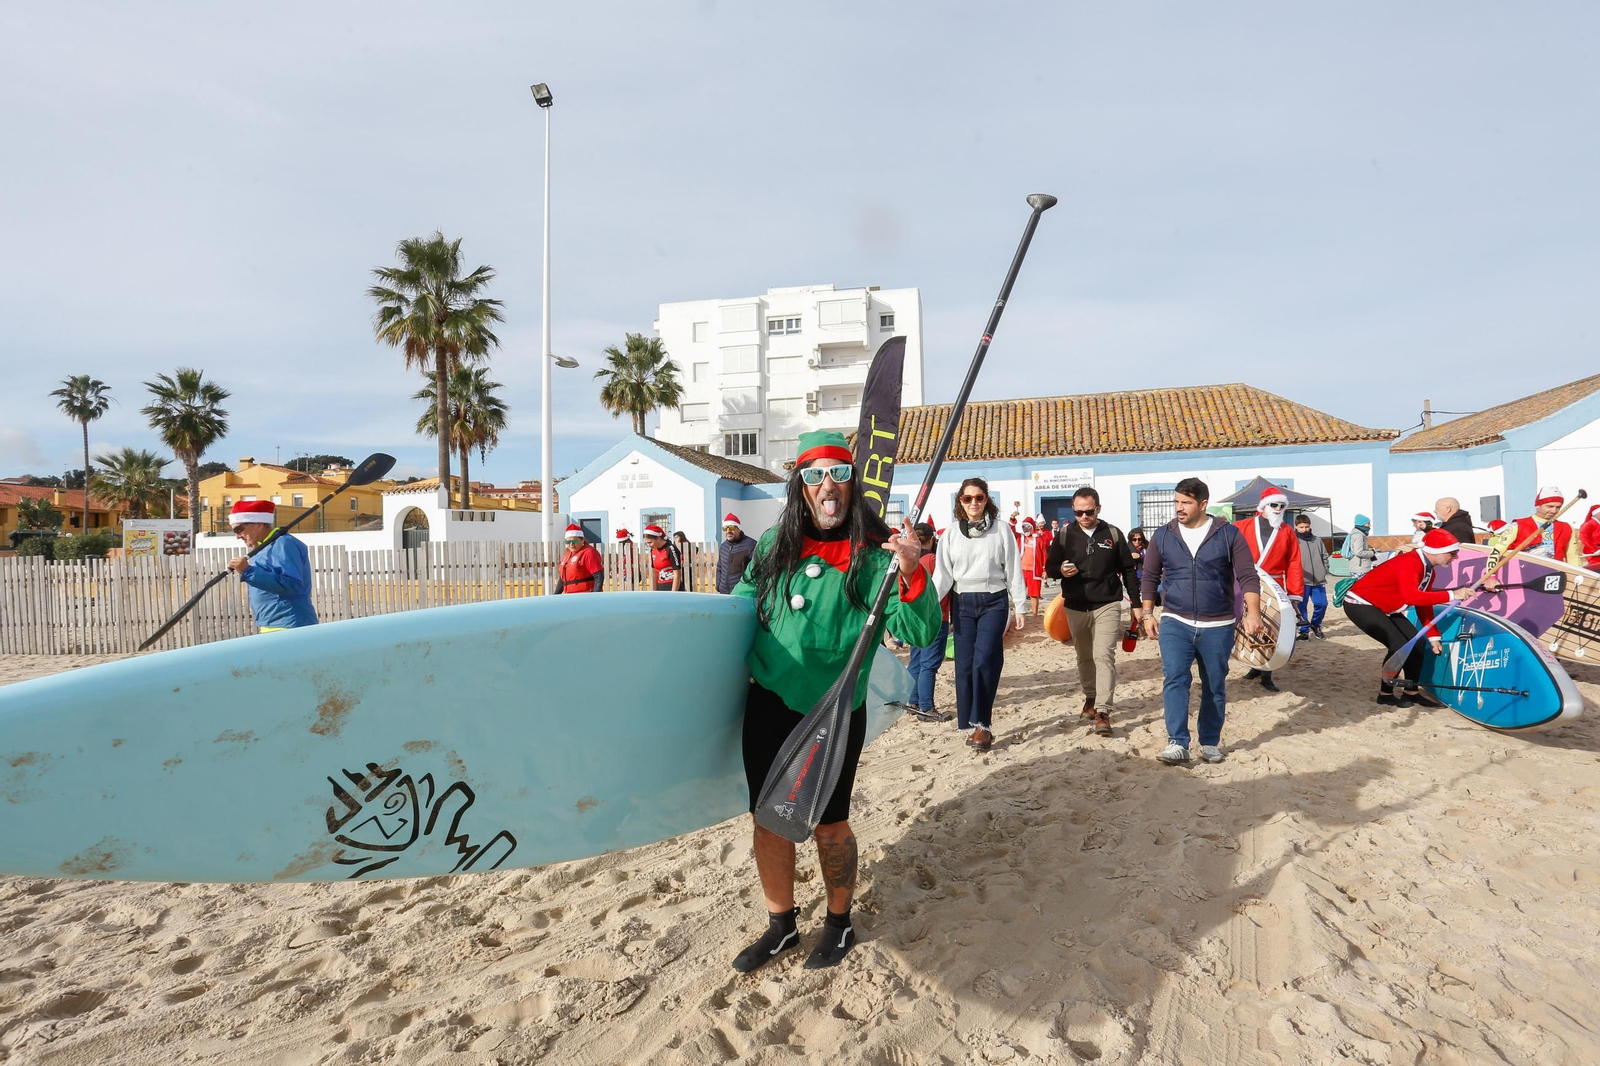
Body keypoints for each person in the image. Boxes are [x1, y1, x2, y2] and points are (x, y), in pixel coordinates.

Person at [730, 430, 938, 972]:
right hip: (768, 702)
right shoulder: (774, 544)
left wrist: (911, 573)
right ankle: (781, 926)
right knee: (768, 819)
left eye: (840, 474)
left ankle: (839, 922)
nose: (828, 485)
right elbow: (740, 607)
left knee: (829, 825)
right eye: (816, 474)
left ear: (853, 485)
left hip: (834, 712)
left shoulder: (876, 555)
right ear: (801, 486)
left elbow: (918, 631)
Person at [1141, 478, 1262, 765]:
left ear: (1203, 504)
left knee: (1214, 685)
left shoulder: (1228, 534)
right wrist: (1147, 613)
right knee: (1175, 678)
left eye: (1186, 502)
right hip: (1175, 620)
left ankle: (1209, 742)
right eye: (1176, 501)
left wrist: (1254, 613)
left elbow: (1247, 575)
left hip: (1218, 624)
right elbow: (1150, 575)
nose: (1179, 508)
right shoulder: (1163, 535)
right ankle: (1177, 742)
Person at [1344, 528, 1496, 707]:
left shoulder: (1429, 570)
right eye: (1452, 553)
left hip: (1385, 606)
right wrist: (1452, 594)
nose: (1455, 557)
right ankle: (1385, 694)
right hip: (1360, 603)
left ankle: (1411, 693)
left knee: (1418, 643)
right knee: (1398, 644)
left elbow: (1423, 603)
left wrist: (1433, 635)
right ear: (1437, 551)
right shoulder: (1410, 562)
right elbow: (1412, 597)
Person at [932, 476, 1027, 753]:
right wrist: (928, 604)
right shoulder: (950, 534)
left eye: (979, 497)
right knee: (964, 665)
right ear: (960, 502)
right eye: (968, 498)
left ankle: (983, 725)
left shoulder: (1002, 530)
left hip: (994, 600)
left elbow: (1013, 569)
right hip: (962, 601)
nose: (973, 502)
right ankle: (971, 724)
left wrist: (1020, 605)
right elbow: (942, 575)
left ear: (987, 500)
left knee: (985, 660)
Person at [1044, 486, 1141, 736]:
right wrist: (1060, 571)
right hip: (1075, 606)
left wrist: (1137, 604)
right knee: (1084, 656)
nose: (1084, 517)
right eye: (1079, 512)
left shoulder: (1113, 534)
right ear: (1073, 510)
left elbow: (1128, 570)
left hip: (1107, 604)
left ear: (1098, 508)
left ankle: (1103, 711)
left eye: (1089, 511)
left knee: (1104, 656)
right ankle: (1090, 697)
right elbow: (1050, 567)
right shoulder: (1064, 535)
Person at [1232, 484, 1303, 692]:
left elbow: (1294, 563)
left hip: (1275, 585)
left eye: (1282, 506)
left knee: (1271, 628)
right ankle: (1254, 665)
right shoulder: (1242, 526)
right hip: (1245, 584)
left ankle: (1267, 673)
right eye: (1274, 505)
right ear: (1263, 506)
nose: (1278, 509)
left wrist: (1294, 594)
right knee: (1246, 625)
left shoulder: (1287, 531)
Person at [225, 500, 318, 631]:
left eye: (239, 529)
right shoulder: (263, 547)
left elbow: (292, 584)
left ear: (259, 524)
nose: (237, 536)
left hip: (289, 624)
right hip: (272, 623)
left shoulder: (283, 543)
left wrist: (248, 571)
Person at [905, 523, 952, 721]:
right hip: (934, 617)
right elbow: (944, 587)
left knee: (916, 660)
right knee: (929, 664)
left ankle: (913, 701)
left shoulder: (909, 560)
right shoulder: (932, 560)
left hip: (915, 617)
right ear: (932, 539)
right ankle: (926, 707)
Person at [1488, 486, 1584, 567]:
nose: (1554, 511)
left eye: (1558, 507)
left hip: (1555, 575)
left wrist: (1579, 576)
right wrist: (1491, 577)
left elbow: (1573, 557)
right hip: (1524, 574)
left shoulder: (1566, 528)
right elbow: (1496, 551)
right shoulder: (1518, 525)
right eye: (1550, 506)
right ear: (1538, 505)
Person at [1293, 514, 1331, 639]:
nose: (1305, 529)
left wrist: (1324, 570)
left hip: (1318, 580)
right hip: (1301, 581)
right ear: (1296, 526)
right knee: (1301, 607)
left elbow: (1324, 555)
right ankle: (1304, 631)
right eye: (1301, 527)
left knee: (1322, 604)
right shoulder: (1293, 541)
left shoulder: (1317, 540)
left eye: (1307, 527)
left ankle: (1315, 624)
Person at [554, 525, 604, 594]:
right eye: (568, 542)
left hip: (585, 594)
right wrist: (555, 595)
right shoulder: (567, 554)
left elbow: (598, 576)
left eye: (574, 541)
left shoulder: (589, 552)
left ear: (582, 540)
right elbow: (562, 579)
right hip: (570, 595)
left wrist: (596, 596)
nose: (571, 544)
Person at [715, 512, 757, 594]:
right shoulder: (723, 547)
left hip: (741, 593)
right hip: (724, 593)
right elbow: (720, 567)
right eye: (725, 528)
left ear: (739, 529)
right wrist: (718, 585)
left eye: (731, 527)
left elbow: (756, 569)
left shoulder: (751, 545)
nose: (728, 531)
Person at [1017, 516, 1049, 616]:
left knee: (1034, 595)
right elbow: (1011, 530)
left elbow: (1044, 554)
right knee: (1019, 593)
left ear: (1032, 527)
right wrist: (1013, 518)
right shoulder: (1020, 538)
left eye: (1028, 527)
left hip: (1034, 571)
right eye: (1023, 527)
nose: (1025, 529)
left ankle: (1035, 615)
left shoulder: (1038, 539)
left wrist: (1045, 569)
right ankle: (1020, 613)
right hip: (1021, 570)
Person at [643, 525, 684, 591]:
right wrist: (654, 592)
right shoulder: (653, 551)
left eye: (650, 542)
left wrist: (673, 594)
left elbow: (677, 574)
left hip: (672, 586)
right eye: (647, 543)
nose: (649, 545)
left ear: (658, 538)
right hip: (660, 587)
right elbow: (654, 573)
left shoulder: (671, 549)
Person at [1580, 504, 1600, 572]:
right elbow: (1584, 538)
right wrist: (1595, 550)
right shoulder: (1589, 523)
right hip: (1593, 551)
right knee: (1596, 567)